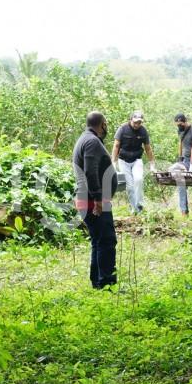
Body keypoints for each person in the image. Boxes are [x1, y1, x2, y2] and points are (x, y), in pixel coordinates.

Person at [73, 111, 119, 289]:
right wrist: (99, 199)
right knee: (107, 241)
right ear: (102, 124)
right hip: (93, 201)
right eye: (105, 124)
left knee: (99, 241)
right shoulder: (91, 141)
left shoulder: (85, 139)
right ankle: (106, 284)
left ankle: (97, 282)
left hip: (87, 199)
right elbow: (90, 171)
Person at [112, 110, 156, 214]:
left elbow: (148, 149)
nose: (137, 124)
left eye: (139, 122)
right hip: (123, 160)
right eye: (135, 122)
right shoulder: (122, 129)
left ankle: (140, 206)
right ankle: (134, 208)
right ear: (130, 120)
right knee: (130, 186)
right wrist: (113, 162)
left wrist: (152, 164)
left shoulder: (143, 131)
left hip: (137, 160)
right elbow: (116, 146)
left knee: (139, 179)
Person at [174, 113, 192, 216]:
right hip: (185, 160)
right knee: (180, 183)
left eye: (180, 124)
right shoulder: (180, 131)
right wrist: (179, 157)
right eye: (177, 125)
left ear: (185, 122)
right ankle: (184, 211)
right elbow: (180, 142)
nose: (179, 126)